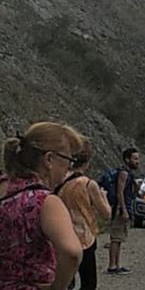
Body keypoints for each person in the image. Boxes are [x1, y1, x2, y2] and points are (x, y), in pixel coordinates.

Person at [0, 122, 84, 289]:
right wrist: (57, 287)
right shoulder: (44, 201)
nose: (69, 168)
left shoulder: (3, 188)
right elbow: (71, 253)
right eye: (69, 160)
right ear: (49, 159)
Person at [56, 139, 111, 289]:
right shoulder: (88, 184)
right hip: (84, 237)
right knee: (88, 282)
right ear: (87, 162)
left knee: (66, 281)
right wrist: (103, 196)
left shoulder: (59, 179)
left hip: (63, 235)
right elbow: (106, 214)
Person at [107, 148, 139, 275]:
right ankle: (112, 266)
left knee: (120, 238)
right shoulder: (124, 173)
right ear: (127, 159)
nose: (137, 162)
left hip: (124, 207)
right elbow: (119, 192)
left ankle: (117, 264)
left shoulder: (129, 173)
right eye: (135, 159)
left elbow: (130, 194)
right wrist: (123, 209)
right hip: (119, 210)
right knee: (116, 238)